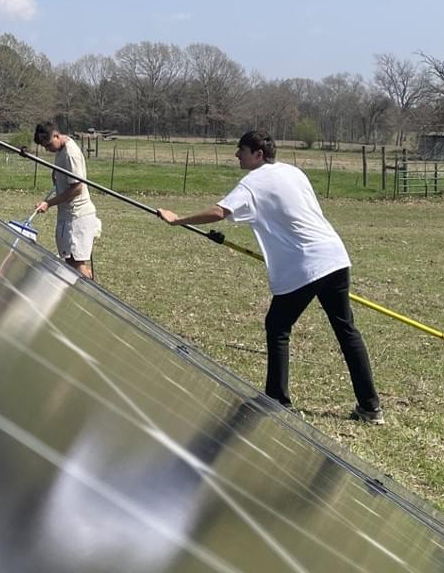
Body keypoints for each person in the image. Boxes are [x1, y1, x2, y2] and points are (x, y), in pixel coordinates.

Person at [155, 130, 384, 424]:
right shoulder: (294, 172)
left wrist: (177, 219)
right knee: (346, 330)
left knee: (277, 326)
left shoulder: (252, 183)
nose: (237, 154)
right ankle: (371, 407)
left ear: (258, 154)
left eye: (242, 150)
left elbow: (218, 212)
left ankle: (277, 400)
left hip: (306, 264)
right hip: (335, 256)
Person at [33, 122, 102, 278]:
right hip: (68, 216)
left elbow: (77, 188)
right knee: (69, 261)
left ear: (56, 135)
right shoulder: (62, 148)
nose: (48, 149)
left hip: (77, 216)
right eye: (45, 147)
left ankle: (90, 295)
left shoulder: (71, 153)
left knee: (76, 264)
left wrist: (48, 203)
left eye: (49, 144)